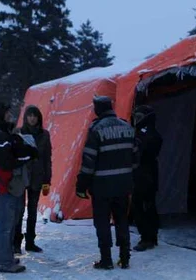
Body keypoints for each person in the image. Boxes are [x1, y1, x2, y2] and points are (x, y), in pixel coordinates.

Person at [76, 96, 135, 270]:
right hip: (123, 185)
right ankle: (125, 257)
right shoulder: (127, 127)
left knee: (102, 223)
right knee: (121, 220)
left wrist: (81, 185)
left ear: (98, 110)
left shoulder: (96, 130)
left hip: (101, 187)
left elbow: (88, 162)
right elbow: (135, 157)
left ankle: (106, 260)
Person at [0, 101, 38, 273]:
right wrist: (28, 155)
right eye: (6, 112)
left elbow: (16, 150)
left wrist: (22, 149)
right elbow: (7, 161)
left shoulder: (3, 133)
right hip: (2, 186)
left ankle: (7, 257)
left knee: (10, 224)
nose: (10, 115)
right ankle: (5, 263)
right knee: (5, 226)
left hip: (9, 185)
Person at [13, 105, 52, 254]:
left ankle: (30, 242)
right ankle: (16, 243)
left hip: (37, 176)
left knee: (33, 211)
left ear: (39, 118)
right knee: (19, 210)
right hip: (21, 176)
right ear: (25, 117)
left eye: (35, 116)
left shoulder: (44, 135)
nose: (32, 118)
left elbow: (47, 158)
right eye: (29, 115)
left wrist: (47, 179)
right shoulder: (18, 133)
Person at [130, 105, 163, 252]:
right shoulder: (148, 132)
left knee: (141, 206)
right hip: (148, 173)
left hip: (143, 174)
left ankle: (147, 237)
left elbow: (141, 152)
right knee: (148, 205)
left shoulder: (145, 134)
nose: (136, 120)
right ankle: (151, 236)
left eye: (138, 117)